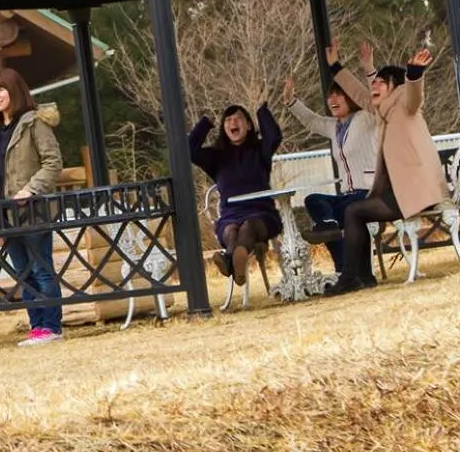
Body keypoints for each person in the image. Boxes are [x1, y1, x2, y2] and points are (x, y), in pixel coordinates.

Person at [324, 44, 446, 295]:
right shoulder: (383, 111)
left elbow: (415, 95)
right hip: (399, 193)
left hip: (415, 193)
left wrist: (413, 73)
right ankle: (362, 277)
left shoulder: (404, 104)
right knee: (355, 212)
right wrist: (336, 67)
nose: (374, 87)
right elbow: (358, 94)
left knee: (354, 211)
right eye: (374, 82)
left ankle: (351, 278)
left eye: (381, 83)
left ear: (395, 87)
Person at [0, 68, 65, 346]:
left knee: (41, 270)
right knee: (23, 273)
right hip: (6, 214)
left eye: (0, 89)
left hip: (33, 212)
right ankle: (37, 327)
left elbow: (53, 162)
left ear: (15, 90)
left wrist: (31, 189)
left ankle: (52, 327)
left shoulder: (35, 123)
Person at [283, 39, 380, 273]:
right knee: (315, 202)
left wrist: (369, 68)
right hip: (348, 195)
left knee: (341, 214)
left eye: (339, 96)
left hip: (369, 192)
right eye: (330, 97)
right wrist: (290, 101)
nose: (333, 100)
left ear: (352, 98)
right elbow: (311, 120)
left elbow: (376, 101)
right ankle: (339, 259)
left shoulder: (367, 118)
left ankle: (345, 269)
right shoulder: (333, 126)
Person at [189, 102, 284, 286]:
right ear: (224, 127)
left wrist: (261, 110)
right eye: (228, 119)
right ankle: (236, 259)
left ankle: (230, 259)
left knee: (248, 225)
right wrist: (206, 122)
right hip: (231, 215)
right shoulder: (217, 156)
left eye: (238, 118)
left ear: (248, 125)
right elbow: (190, 151)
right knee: (231, 230)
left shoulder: (260, 150)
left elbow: (274, 137)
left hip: (262, 215)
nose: (233, 122)